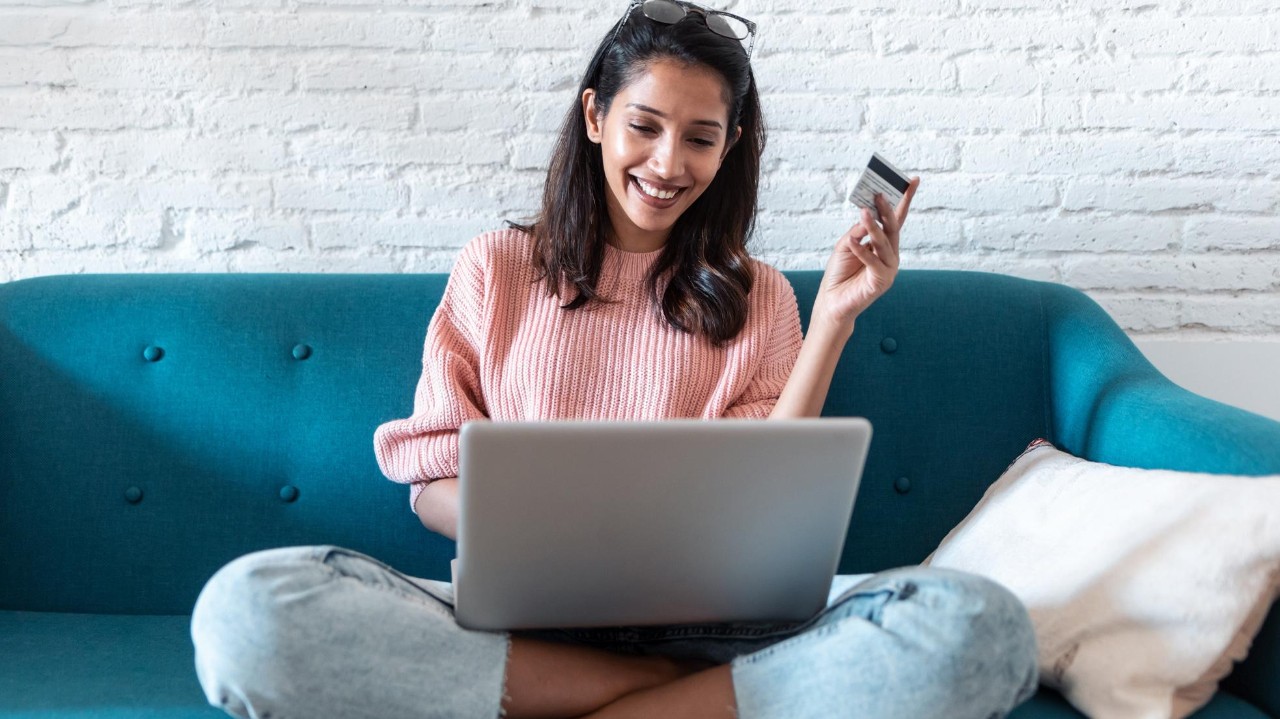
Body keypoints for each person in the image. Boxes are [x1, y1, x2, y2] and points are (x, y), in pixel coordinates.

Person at [189, 2, 1039, 717]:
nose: (669, 164)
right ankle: (671, 697)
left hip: (720, 622)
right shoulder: (497, 267)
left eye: (702, 138)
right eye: (645, 125)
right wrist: (547, 535)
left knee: (982, 627)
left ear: (730, 146)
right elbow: (431, 485)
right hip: (525, 621)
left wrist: (835, 321)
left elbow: (770, 492)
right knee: (246, 612)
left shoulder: (764, 295)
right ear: (596, 116)